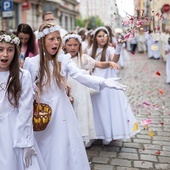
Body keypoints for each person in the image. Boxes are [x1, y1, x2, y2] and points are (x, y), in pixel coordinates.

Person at [23, 22, 126, 170]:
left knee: (64, 143)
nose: (56, 42)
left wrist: (103, 82)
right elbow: (26, 90)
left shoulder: (63, 60)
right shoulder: (32, 63)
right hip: (42, 111)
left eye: (58, 38)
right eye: (51, 39)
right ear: (42, 41)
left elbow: (80, 75)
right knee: (45, 145)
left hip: (62, 110)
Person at [62, 32, 121, 147]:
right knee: (69, 114)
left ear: (79, 45)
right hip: (67, 91)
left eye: (75, 45)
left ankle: (84, 138)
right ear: (64, 46)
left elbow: (97, 64)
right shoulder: (62, 59)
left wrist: (109, 63)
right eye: (69, 45)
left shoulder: (83, 58)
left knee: (81, 113)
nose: (73, 48)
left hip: (81, 92)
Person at [0, 30, 46, 170]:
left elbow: (25, 110)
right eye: (1, 49)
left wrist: (25, 142)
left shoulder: (22, 76)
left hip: (14, 129)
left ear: (16, 52)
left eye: (10, 50)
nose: (5, 54)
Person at [87, 26, 140, 145]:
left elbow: (114, 59)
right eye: (99, 36)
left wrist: (119, 47)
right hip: (94, 82)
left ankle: (107, 134)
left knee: (105, 107)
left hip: (107, 83)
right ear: (95, 38)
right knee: (94, 108)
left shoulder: (110, 50)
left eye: (104, 36)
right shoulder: (90, 50)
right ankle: (94, 133)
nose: (102, 38)